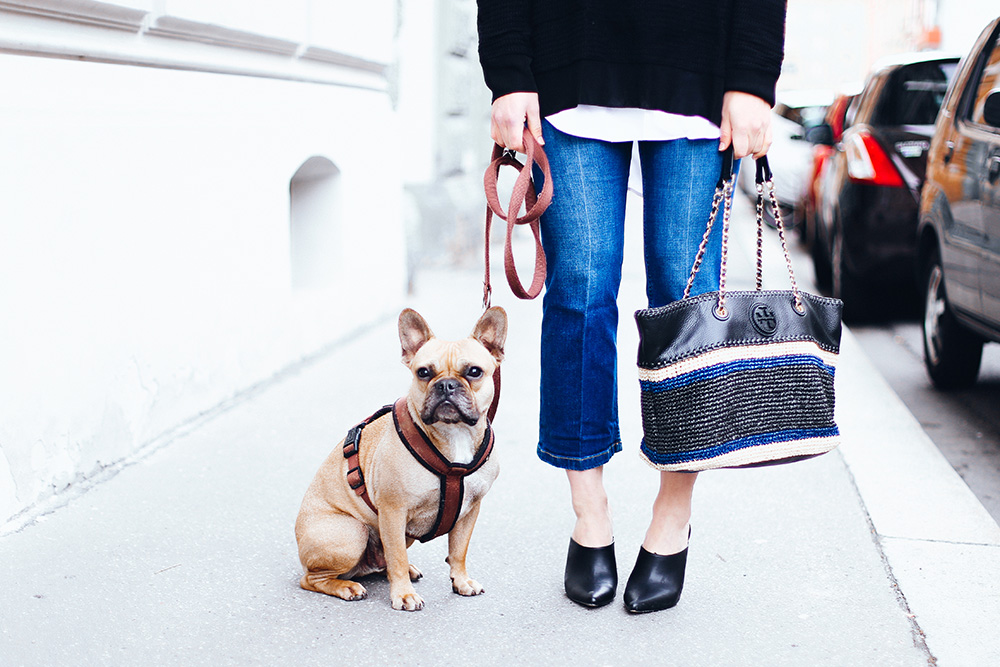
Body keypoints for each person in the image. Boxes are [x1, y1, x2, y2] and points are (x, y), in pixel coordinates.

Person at [477, 1, 787, 612]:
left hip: (697, 72)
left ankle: (674, 513)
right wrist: (509, 71)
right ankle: (588, 515)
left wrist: (752, 78)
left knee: (687, 308)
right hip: (571, 70)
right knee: (580, 295)